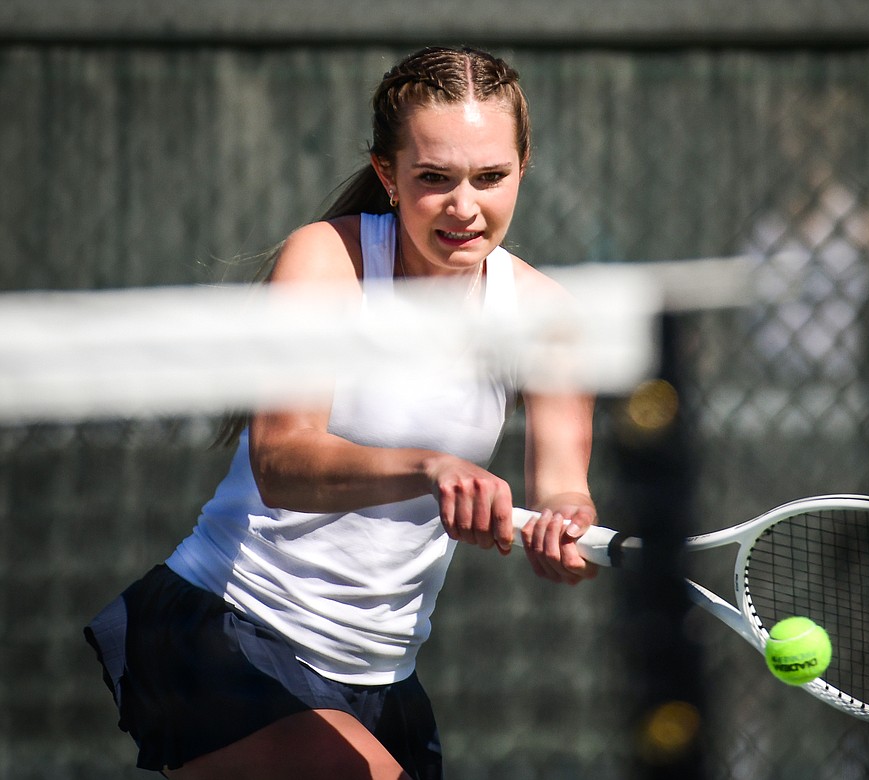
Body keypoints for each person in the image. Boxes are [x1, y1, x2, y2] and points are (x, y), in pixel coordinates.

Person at [84, 45, 598, 780]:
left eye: (491, 177)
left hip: (383, 676)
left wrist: (566, 530)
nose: (465, 206)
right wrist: (429, 467)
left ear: (523, 167)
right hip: (227, 632)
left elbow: (563, 484)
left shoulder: (547, 316)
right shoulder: (326, 260)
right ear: (388, 174)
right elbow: (283, 461)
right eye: (434, 179)